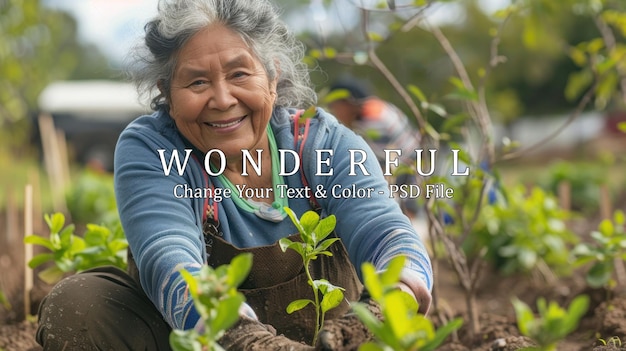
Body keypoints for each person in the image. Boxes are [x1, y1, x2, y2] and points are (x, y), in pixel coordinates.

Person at [35, 0, 433, 350]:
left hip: (325, 342)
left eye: (240, 74)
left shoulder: (324, 144)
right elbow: (166, 253)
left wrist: (385, 305)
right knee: (80, 305)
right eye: (197, 82)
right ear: (167, 93)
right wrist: (247, 340)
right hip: (195, 342)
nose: (223, 100)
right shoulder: (153, 148)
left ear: (273, 79)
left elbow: (386, 233)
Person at [325, 77, 423, 216]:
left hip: (407, 162)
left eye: (334, 106)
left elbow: (378, 163)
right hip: (408, 157)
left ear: (347, 103)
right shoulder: (373, 107)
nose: (333, 112)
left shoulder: (372, 120)